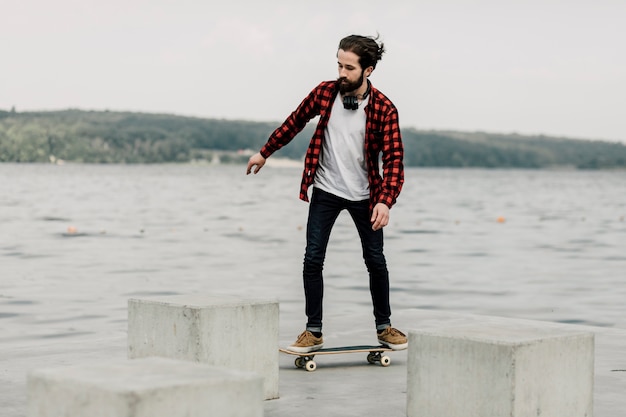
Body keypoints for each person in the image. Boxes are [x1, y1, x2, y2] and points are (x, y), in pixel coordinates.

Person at [246, 34, 407, 353]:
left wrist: (386, 201)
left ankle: (384, 327)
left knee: (375, 259)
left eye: (349, 67)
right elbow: (294, 122)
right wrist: (265, 152)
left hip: (366, 195)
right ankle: (313, 330)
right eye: (339, 64)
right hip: (326, 190)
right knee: (312, 258)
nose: (342, 73)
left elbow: (394, 159)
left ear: (368, 70)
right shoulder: (324, 93)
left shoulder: (384, 109)